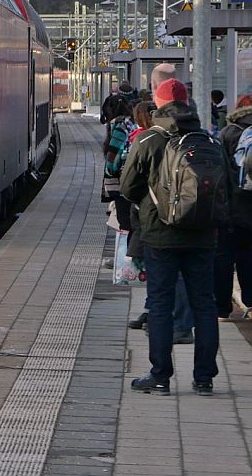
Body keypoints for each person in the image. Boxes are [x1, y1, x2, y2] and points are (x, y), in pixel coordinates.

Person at [120, 78, 221, 396]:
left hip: (160, 235)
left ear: (160, 104)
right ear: (187, 102)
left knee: (161, 304)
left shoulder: (149, 139)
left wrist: (151, 202)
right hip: (202, 235)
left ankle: (160, 376)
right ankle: (204, 378)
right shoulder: (207, 139)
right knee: (205, 304)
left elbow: (128, 187)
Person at [216, 94, 252, 321]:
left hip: (229, 209)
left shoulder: (227, 133)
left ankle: (221, 309)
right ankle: (250, 302)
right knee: (249, 257)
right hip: (250, 210)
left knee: (223, 260)